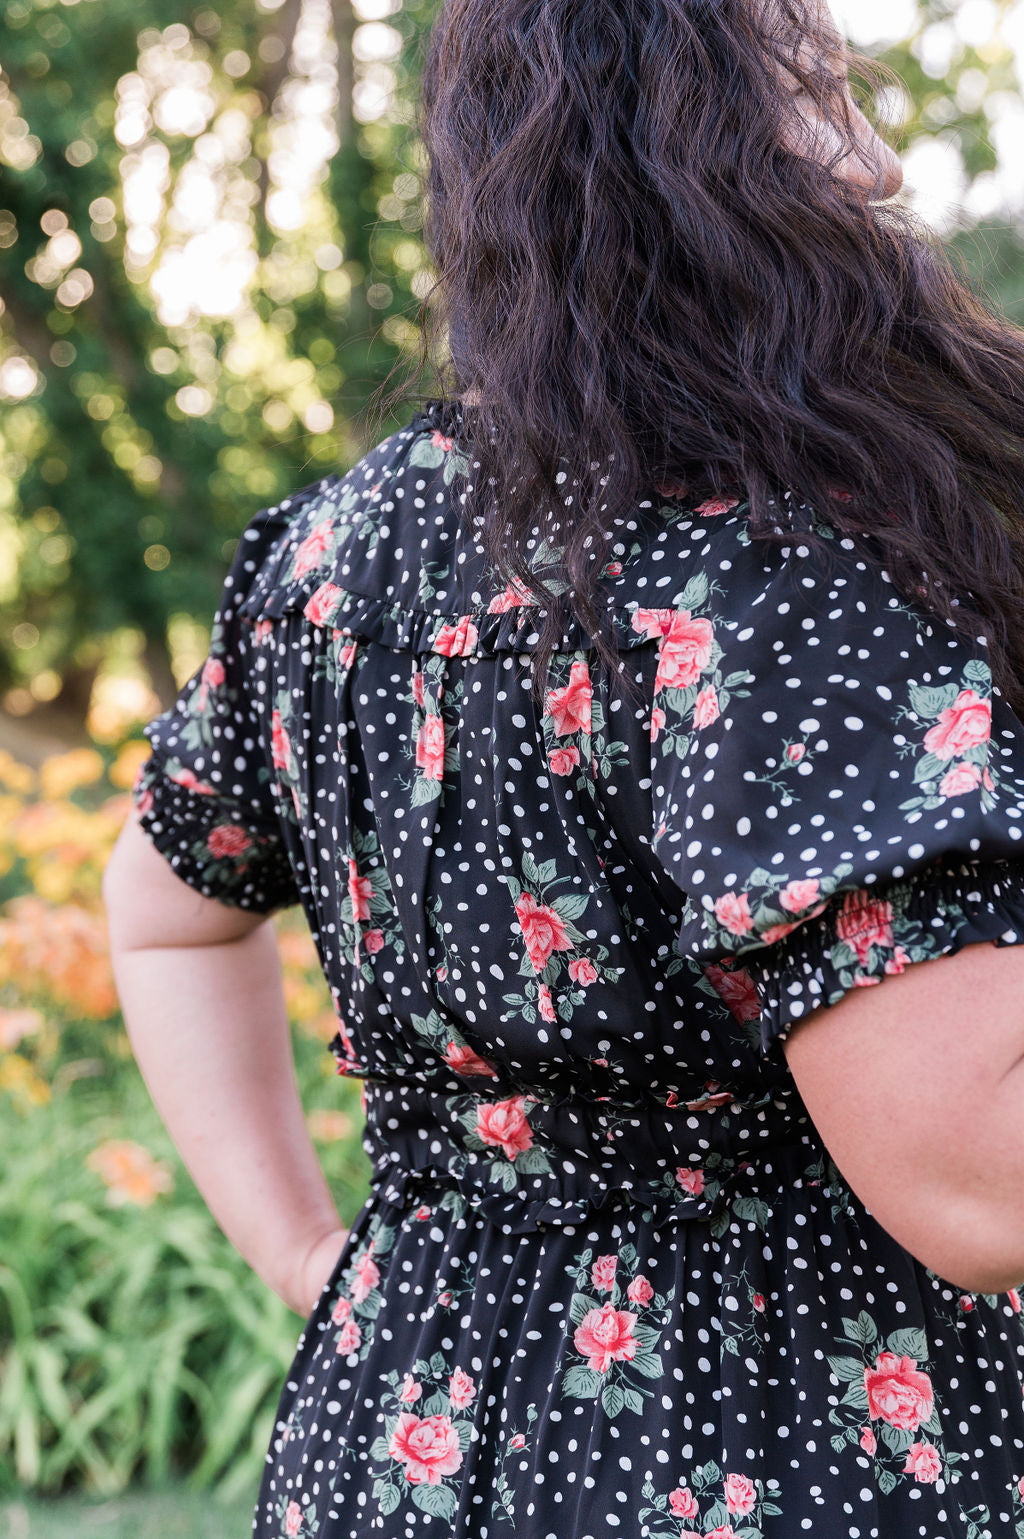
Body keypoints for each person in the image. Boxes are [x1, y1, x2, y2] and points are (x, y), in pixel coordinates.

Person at [102, 0, 1024, 1535]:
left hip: (398, 1437)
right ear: (694, 157)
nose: (875, 165)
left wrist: (299, 1252)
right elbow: (978, 1179)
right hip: (783, 1446)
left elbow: (161, 904)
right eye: (817, 94)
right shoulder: (782, 571)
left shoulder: (341, 560)